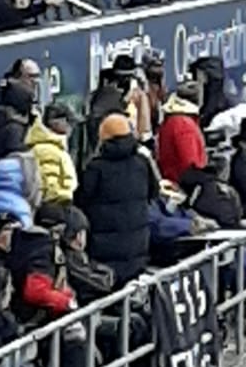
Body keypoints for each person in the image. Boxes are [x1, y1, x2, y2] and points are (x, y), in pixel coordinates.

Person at [75, 112, 159, 286]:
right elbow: (154, 193)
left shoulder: (95, 168)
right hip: (137, 245)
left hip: (104, 249)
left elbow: (82, 200)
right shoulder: (141, 162)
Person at [25, 103, 78, 205]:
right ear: (57, 123)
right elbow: (49, 185)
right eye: (70, 122)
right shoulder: (48, 149)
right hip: (54, 206)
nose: (71, 128)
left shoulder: (52, 147)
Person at [156, 82, 207, 185]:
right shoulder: (184, 124)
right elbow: (190, 162)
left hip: (172, 179)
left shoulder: (171, 118)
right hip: (183, 183)